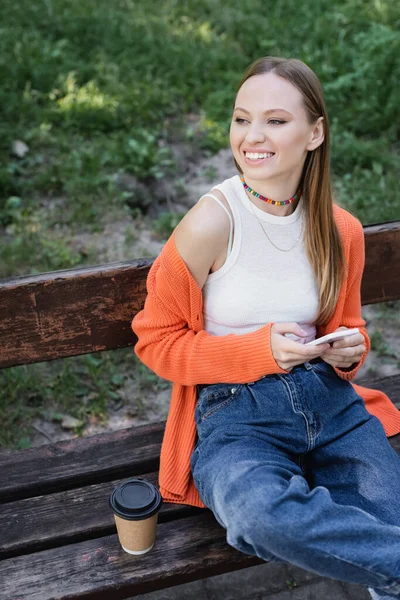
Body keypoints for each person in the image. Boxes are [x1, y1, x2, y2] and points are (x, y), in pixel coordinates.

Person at [131, 56, 400, 600]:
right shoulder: (212, 222)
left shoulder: (340, 230)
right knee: (257, 516)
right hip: (237, 418)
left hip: (333, 409)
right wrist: (258, 353)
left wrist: (350, 348)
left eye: (275, 121)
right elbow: (155, 342)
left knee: (387, 542)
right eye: (241, 118)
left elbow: (347, 326)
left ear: (315, 133)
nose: (252, 136)